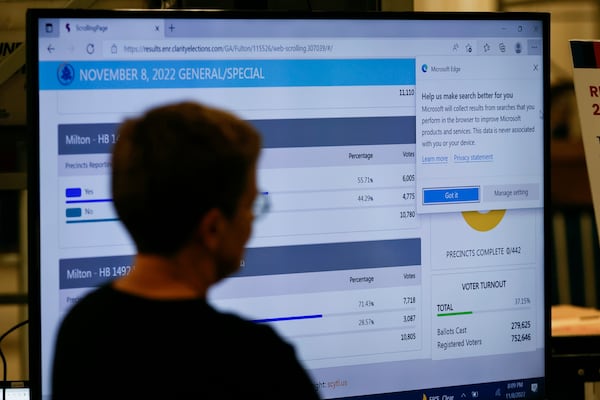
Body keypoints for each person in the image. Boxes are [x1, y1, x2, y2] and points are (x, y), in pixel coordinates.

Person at [51, 101, 321, 399]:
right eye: (250, 207)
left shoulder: (82, 327)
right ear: (213, 229)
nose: (251, 221)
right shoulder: (256, 363)